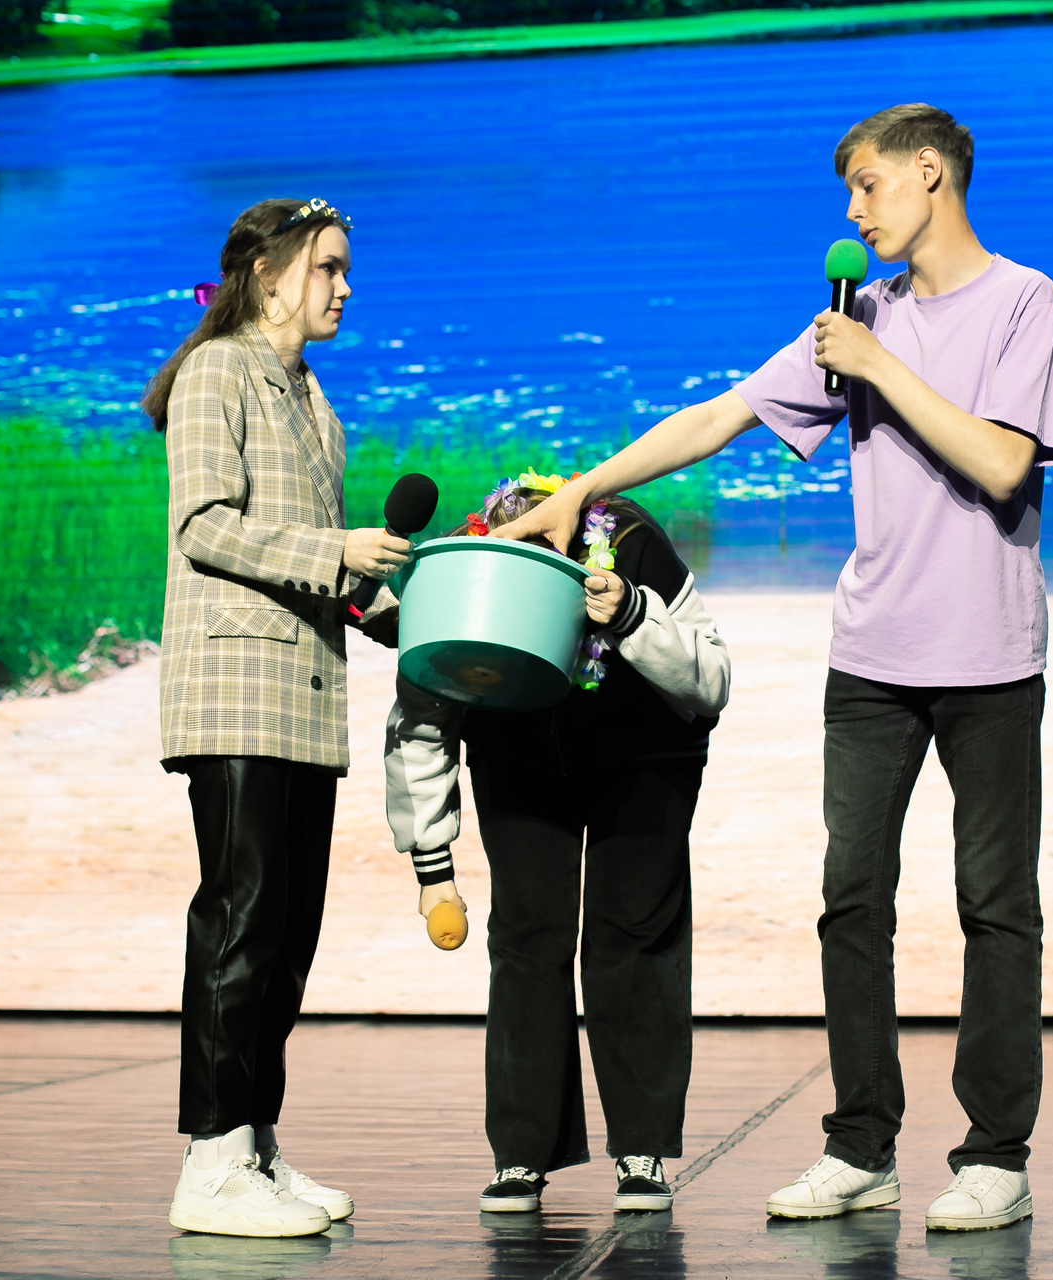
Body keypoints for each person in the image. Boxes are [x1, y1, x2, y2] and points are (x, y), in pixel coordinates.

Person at [497, 104, 1053, 1232]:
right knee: (851, 900)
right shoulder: (860, 318)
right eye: (849, 192)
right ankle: (862, 1145)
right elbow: (720, 417)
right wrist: (582, 490)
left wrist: (877, 365)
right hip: (872, 659)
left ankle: (995, 1155)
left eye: (868, 186)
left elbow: (1005, 464)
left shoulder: (1023, 301)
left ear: (930, 173)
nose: (853, 212)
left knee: (995, 905)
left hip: (991, 660)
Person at [142, 196, 410, 1239]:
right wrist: (339, 551)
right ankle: (209, 1161)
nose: (345, 286)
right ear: (267, 273)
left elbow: (322, 565)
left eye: (347, 268)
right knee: (241, 920)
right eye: (328, 267)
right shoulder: (218, 371)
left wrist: (414, 619)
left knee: (289, 936)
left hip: (304, 696)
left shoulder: (313, 398)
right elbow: (206, 527)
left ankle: (252, 1142)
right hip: (237, 690)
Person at [384, 473, 732, 1215]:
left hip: (647, 753)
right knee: (527, 937)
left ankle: (641, 1147)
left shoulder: (634, 545)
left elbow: (712, 681)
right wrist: (432, 865)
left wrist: (632, 613)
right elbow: (423, 717)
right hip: (519, 754)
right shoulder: (473, 567)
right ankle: (523, 1153)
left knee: (633, 936)